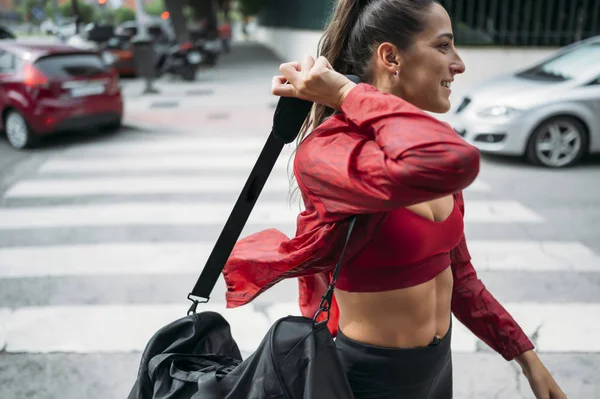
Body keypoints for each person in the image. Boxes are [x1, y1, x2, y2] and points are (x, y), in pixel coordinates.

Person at [223, 0, 567, 398]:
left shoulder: (416, 141)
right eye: (443, 46)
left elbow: (461, 277)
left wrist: (527, 359)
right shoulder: (331, 151)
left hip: (438, 368)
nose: (459, 64)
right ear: (390, 57)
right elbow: (451, 159)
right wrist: (347, 94)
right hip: (370, 380)